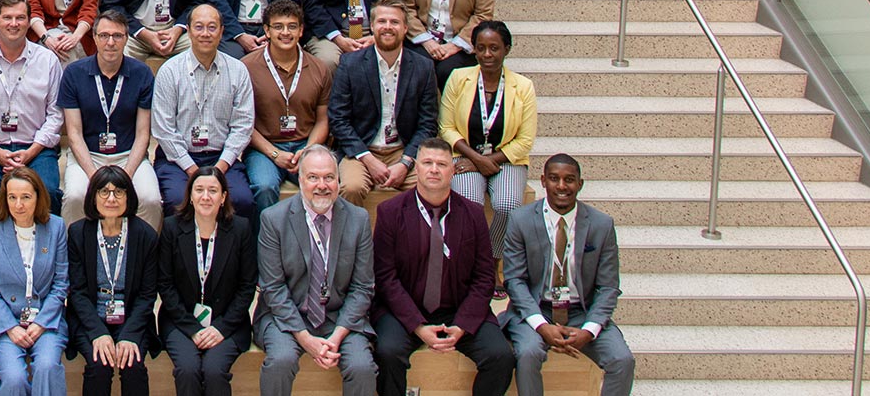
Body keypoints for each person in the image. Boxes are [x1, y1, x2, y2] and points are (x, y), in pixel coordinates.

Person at [370, 139, 516, 396]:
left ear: (453, 170)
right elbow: (385, 278)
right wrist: (417, 326)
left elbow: (484, 278)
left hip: (458, 310)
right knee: (387, 352)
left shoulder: (473, 213)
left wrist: (462, 325)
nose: (434, 169)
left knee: (500, 355)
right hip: (404, 311)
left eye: (441, 164)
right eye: (427, 163)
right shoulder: (390, 212)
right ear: (416, 167)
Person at [503, 155, 636, 396]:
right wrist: (541, 325)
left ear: (580, 184)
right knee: (528, 353)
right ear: (543, 181)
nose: (562, 186)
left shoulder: (601, 225)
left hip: (580, 312)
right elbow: (514, 280)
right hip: (536, 308)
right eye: (554, 179)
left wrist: (589, 330)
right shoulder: (520, 220)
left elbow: (608, 287)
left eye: (569, 180)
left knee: (622, 360)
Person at [253, 145, 377, 396]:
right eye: (313, 177)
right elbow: (273, 288)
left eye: (329, 177)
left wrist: (336, 337)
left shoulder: (358, 219)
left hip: (338, 318)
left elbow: (363, 287)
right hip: (285, 318)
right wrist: (306, 339)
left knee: (362, 367)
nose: (322, 185)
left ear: (338, 180)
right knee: (281, 361)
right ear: (300, 180)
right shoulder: (273, 219)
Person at [439, 19, 536, 272]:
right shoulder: (458, 78)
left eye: (494, 48)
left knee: (508, 205)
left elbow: (524, 140)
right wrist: (474, 158)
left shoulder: (523, 86)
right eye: (481, 48)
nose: (487, 54)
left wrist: (486, 161)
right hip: (465, 155)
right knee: (469, 203)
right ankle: (471, 263)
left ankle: (492, 262)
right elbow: (446, 128)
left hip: (506, 159)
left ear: (507, 49)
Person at [57, 10, 164, 226]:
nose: (111, 42)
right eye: (104, 35)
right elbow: (74, 134)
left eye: (117, 36)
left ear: (126, 39)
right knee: (75, 197)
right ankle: (75, 256)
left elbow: (143, 135)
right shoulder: (74, 74)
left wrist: (125, 175)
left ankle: (145, 257)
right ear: (94, 38)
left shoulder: (142, 73)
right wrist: (95, 175)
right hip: (87, 156)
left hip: (129, 156)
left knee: (151, 199)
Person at [327, 0, 438, 205]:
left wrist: (406, 162)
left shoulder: (423, 67)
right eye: (382, 21)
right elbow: (338, 120)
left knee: (431, 187)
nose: (388, 26)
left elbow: (428, 124)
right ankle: (354, 238)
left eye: (394, 22)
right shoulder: (350, 64)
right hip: (361, 150)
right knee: (352, 187)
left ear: (405, 28)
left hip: (403, 150)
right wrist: (368, 158)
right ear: (373, 27)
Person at [157, 167, 255, 396]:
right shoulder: (172, 228)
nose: (206, 196)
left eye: (213, 190)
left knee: (214, 370)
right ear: (190, 196)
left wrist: (220, 328)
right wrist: (193, 329)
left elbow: (247, 286)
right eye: (199, 190)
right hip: (180, 322)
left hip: (228, 323)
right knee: (187, 370)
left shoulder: (241, 229)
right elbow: (165, 285)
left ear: (223, 197)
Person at [151, 6, 257, 217]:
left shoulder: (238, 71)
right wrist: (194, 171)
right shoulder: (170, 71)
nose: (205, 33)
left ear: (222, 31)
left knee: (242, 201)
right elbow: (164, 130)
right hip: (178, 160)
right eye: (199, 27)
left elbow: (243, 126)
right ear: (188, 31)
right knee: (175, 201)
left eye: (212, 27)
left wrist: (219, 168)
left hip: (221, 157)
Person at [0, 0, 66, 211]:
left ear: (29, 22)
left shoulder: (48, 60)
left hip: (37, 148)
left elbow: (56, 114)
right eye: (7, 18)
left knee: (49, 192)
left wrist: (32, 150)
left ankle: (44, 246)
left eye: (20, 18)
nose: (14, 24)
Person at [67, 166, 161, 396]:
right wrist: (98, 333)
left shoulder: (145, 235)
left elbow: (147, 295)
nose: (111, 198)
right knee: (100, 365)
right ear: (93, 196)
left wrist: (129, 335)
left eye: (119, 192)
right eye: (104, 192)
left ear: (129, 196)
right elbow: (77, 292)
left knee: (133, 364)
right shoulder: (78, 233)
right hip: (90, 319)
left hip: (131, 319)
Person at [0, 166, 72, 396]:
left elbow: (61, 284)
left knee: (47, 367)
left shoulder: (56, 227)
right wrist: (10, 327)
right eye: (12, 197)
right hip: (7, 322)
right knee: (14, 379)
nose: (18, 205)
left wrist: (41, 323)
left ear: (39, 197)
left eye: (26, 197)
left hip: (46, 320)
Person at [242, 1, 335, 214]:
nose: (286, 32)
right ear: (266, 30)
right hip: (263, 148)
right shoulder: (246, 67)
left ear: (301, 30)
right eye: (278, 26)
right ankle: (267, 247)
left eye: (292, 26)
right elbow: (242, 123)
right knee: (264, 187)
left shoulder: (319, 68)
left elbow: (323, 119)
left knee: (325, 184)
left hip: (306, 143)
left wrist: (308, 150)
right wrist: (274, 154)